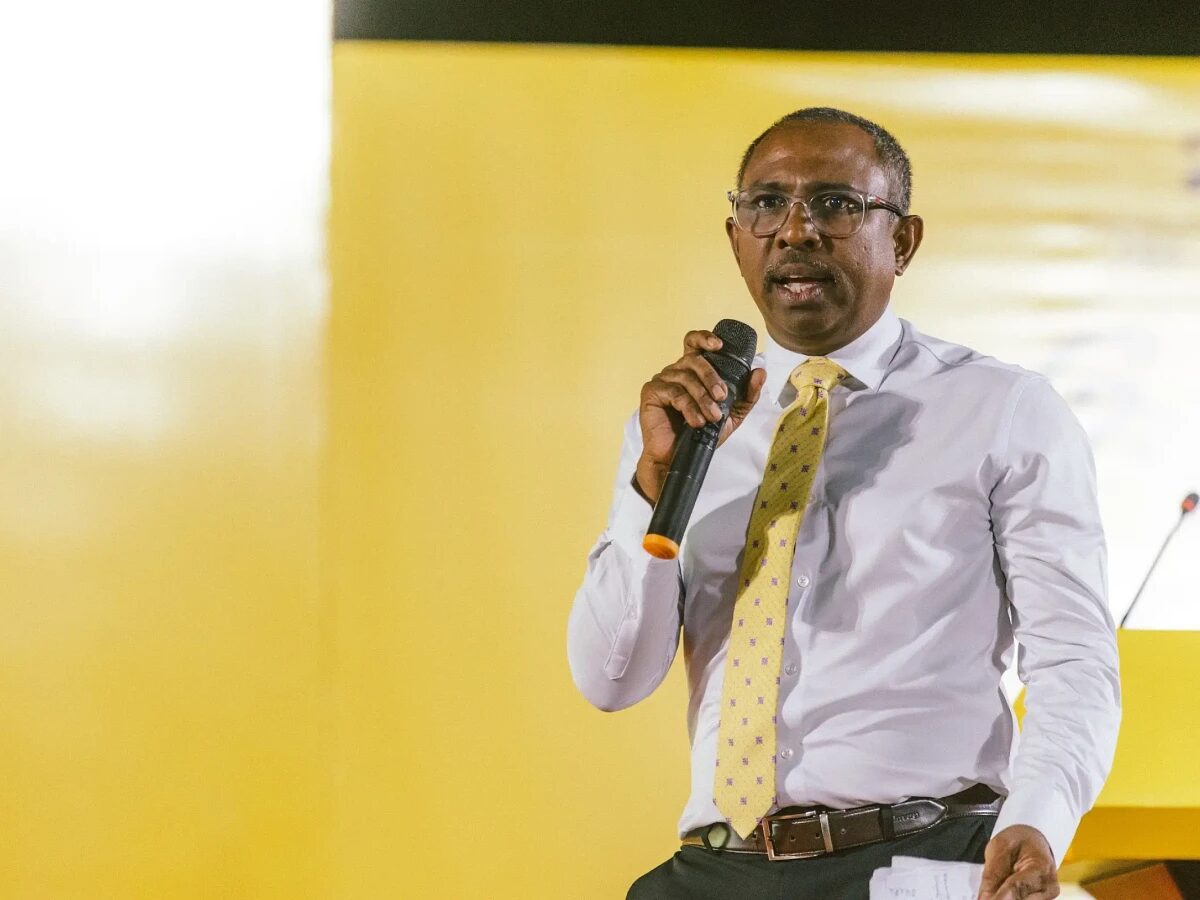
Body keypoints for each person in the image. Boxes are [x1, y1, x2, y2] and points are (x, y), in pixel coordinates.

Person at [566, 107, 1121, 900]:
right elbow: (610, 679)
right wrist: (651, 491)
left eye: (836, 204)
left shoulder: (1002, 409)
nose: (796, 231)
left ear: (904, 241)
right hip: (721, 866)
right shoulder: (687, 424)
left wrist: (1037, 819)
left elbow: (1072, 659)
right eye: (767, 204)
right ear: (736, 236)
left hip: (923, 856)